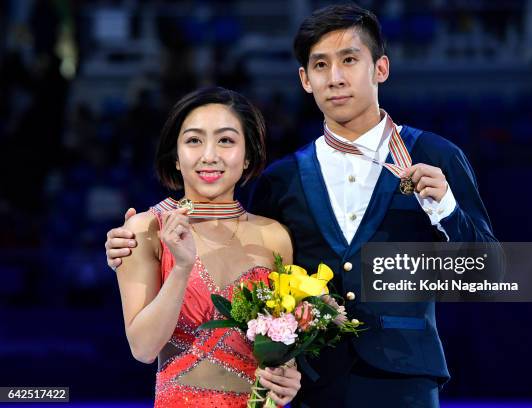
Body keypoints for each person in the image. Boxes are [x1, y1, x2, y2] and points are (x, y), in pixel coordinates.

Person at [106, 5, 496, 407]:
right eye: (321, 65)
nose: (336, 78)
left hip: (404, 380)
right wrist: (131, 242)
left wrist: (446, 208)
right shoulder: (284, 178)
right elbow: (246, 262)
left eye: (349, 60)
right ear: (305, 80)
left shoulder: (435, 156)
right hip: (312, 384)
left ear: (380, 68)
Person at [112, 87, 301, 407]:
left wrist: (288, 374)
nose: (209, 155)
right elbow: (143, 348)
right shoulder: (146, 229)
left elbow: (280, 343)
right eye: (194, 140)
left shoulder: (274, 236)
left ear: (248, 156)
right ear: (175, 156)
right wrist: (182, 267)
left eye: (226, 140)